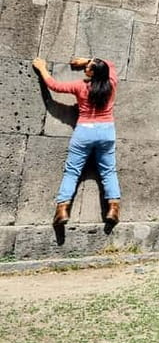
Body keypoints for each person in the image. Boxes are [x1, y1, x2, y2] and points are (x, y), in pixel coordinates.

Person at [32, 56, 121, 226]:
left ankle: (62, 209)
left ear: (92, 73)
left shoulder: (80, 86)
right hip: (107, 131)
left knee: (72, 172)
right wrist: (88, 60)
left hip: (84, 131)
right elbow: (110, 64)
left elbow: (54, 86)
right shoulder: (112, 82)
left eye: (88, 66)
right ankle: (113, 208)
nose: (86, 67)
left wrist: (42, 68)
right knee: (109, 171)